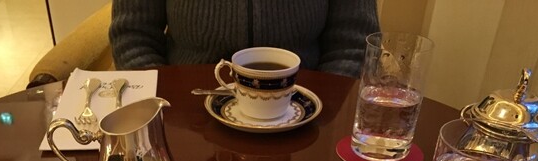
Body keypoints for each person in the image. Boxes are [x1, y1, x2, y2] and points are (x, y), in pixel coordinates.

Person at [109, 0, 380, 78]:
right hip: (186, 119)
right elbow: (134, 35)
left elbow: (354, 43)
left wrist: (321, 111)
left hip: (305, 118)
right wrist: (162, 110)